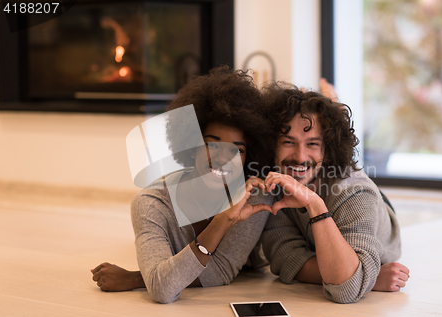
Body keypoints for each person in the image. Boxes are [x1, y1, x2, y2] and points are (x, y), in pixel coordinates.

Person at [91, 67, 273, 303]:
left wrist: (140, 277)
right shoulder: (152, 203)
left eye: (237, 150)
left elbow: (220, 271)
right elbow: (164, 290)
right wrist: (222, 221)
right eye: (212, 144)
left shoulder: (254, 195)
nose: (224, 159)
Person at [259, 81, 410, 304]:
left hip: (375, 211)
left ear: (326, 149)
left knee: (352, 180)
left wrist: (314, 204)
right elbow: (285, 258)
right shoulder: (273, 182)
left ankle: (333, 107)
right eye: (288, 142)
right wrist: (365, 277)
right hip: (323, 184)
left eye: (312, 143)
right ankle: (330, 107)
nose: (300, 156)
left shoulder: (355, 193)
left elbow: (345, 289)